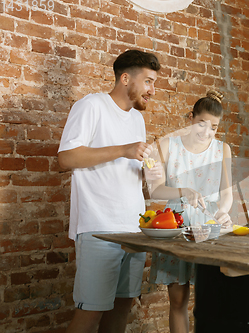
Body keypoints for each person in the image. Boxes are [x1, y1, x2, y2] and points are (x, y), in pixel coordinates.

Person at [58, 49, 160, 333]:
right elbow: (66, 158)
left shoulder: (137, 120)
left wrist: (148, 171)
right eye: (149, 81)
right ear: (125, 78)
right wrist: (124, 150)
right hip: (99, 228)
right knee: (90, 315)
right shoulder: (92, 106)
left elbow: (123, 169)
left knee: (121, 310)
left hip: (134, 231)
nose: (152, 90)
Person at [144, 90, 233, 333]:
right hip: (175, 227)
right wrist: (183, 191)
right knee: (178, 300)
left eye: (213, 127)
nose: (207, 132)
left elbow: (226, 194)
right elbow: (157, 191)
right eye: (201, 124)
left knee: (213, 298)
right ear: (191, 118)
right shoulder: (167, 145)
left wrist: (223, 211)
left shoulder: (222, 149)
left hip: (210, 229)